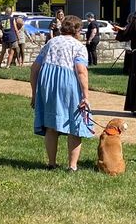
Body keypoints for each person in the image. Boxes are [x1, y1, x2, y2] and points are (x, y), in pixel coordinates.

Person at [30, 14, 94, 171]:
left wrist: (34, 93)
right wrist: (85, 96)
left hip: (47, 85)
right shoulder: (78, 47)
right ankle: (72, 166)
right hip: (68, 84)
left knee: (51, 126)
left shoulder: (51, 43)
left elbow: (34, 68)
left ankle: (51, 163)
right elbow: (81, 71)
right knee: (75, 124)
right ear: (77, 30)